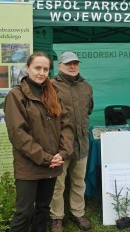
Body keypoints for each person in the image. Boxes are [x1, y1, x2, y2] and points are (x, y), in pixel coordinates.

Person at [4, 51, 74, 232]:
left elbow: (66, 125)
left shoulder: (53, 94)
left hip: (52, 164)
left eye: (45, 69)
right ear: (28, 68)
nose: (41, 73)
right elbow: (18, 134)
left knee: (43, 210)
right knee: (24, 213)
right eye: (37, 68)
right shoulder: (16, 96)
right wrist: (45, 157)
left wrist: (63, 153)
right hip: (29, 166)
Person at [49, 51, 94, 232]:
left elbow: (88, 110)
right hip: (60, 145)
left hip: (82, 143)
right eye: (68, 63)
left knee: (78, 181)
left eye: (75, 63)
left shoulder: (87, 87)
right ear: (60, 66)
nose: (72, 66)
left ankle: (78, 213)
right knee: (57, 183)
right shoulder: (50, 86)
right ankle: (56, 217)